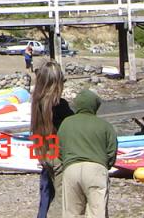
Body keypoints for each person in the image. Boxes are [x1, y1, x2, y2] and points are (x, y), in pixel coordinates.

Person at [58, 88, 118, 218]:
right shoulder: (105, 125)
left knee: (71, 213)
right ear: (95, 106)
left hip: (71, 169)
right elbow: (112, 152)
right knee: (97, 213)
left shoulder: (66, 123)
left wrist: (68, 161)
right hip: (96, 169)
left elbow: (59, 149)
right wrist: (105, 165)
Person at [30, 60, 73, 218]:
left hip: (44, 153)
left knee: (46, 198)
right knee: (60, 201)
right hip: (59, 157)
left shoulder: (37, 102)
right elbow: (72, 129)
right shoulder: (60, 106)